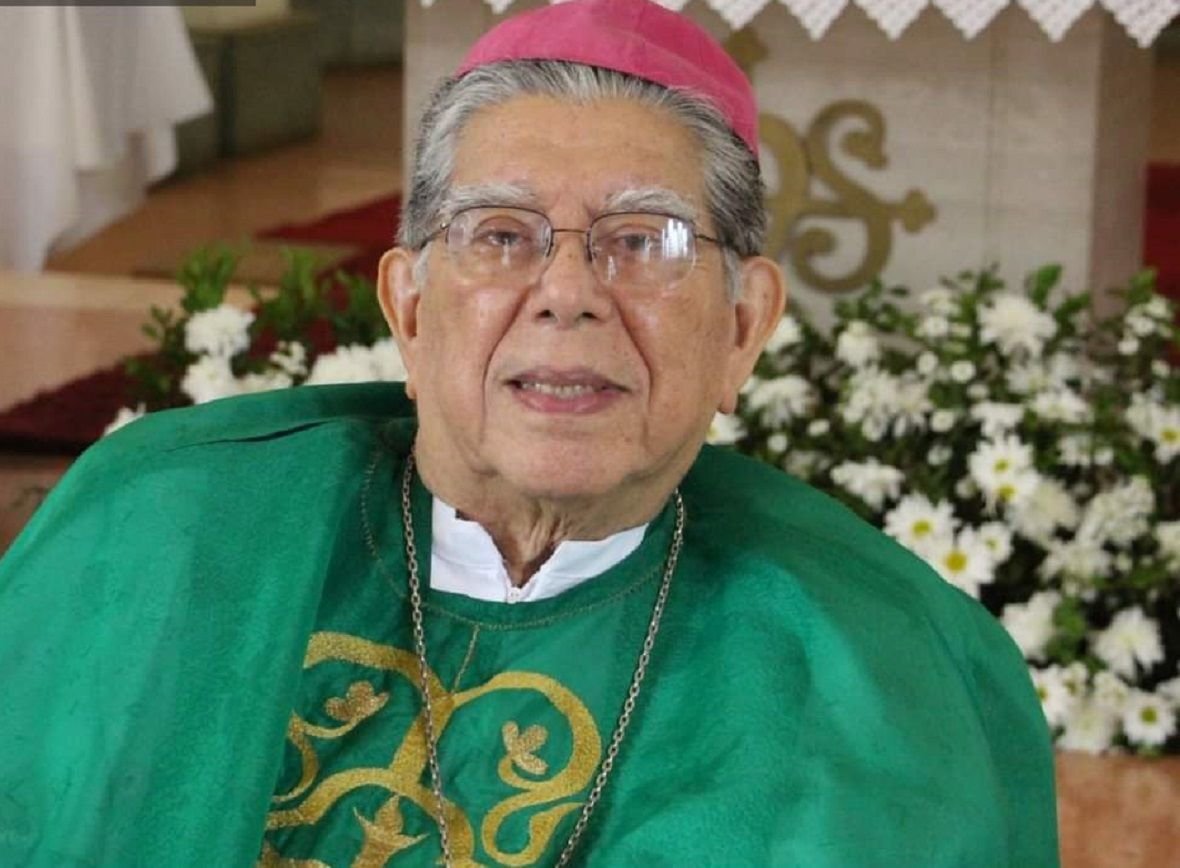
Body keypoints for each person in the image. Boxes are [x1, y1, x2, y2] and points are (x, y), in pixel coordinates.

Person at [0, 0, 1058, 865]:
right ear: (409, 310)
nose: (567, 293)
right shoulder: (158, 527)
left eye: (643, 241)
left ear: (741, 328)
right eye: (500, 234)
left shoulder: (884, 676)